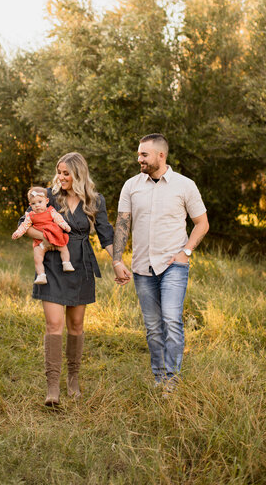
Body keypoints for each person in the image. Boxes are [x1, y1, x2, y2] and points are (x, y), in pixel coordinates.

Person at [113, 133, 209, 394]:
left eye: (144, 154)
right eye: (139, 154)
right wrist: (117, 260)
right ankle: (159, 378)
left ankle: (173, 379)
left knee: (171, 319)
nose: (139, 159)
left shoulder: (184, 185)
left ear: (161, 155)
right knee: (153, 327)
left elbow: (202, 223)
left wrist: (186, 252)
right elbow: (122, 224)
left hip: (173, 265)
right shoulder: (131, 186)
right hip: (142, 267)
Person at [17, 152, 115, 406]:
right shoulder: (48, 195)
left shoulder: (95, 200)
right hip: (51, 264)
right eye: (59, 172)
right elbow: (24, 223)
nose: (61, 178)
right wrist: (46, 238)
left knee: (76, 326)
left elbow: (105, 234)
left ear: (78, 174)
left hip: (80, 265)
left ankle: (73, 378)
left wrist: (118, 263)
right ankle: (52, 388)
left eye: (66, 173)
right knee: (53, 324)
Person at [12, 186, 75, 285]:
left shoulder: (51, 211)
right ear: (30, 205)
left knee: (63, 248)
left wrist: (65, 226)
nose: (37, 205)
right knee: (37, 257)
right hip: (40, 242)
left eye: (40, 202)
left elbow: (59, 219)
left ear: (46, 201)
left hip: (54, 237)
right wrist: (18, 233)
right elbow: (24, 226)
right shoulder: (30, 215)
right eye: (33, 203)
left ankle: (66, 263)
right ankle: (41, 275)